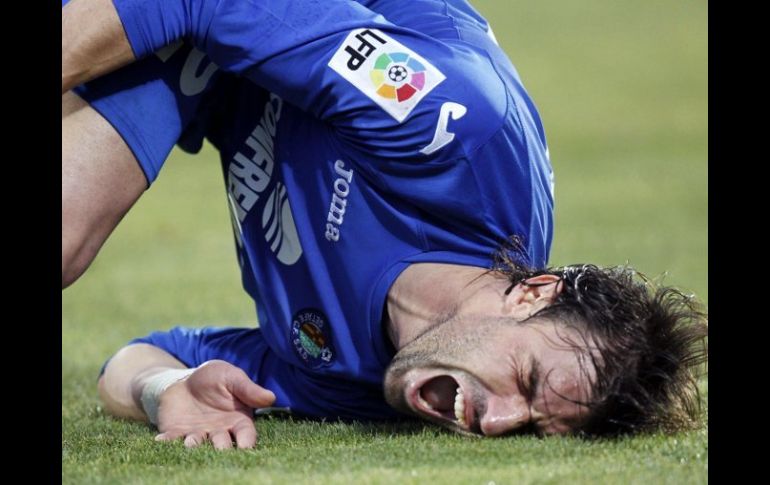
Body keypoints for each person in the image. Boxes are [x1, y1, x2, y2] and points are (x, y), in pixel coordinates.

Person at [62, 0, 708, 448]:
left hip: (214, 59)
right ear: (533, 293)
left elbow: (146, 357)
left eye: (531, 426)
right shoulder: (448, 133)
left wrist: (165, 389)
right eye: (529, 381)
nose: (498, 420)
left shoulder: (357, 382)